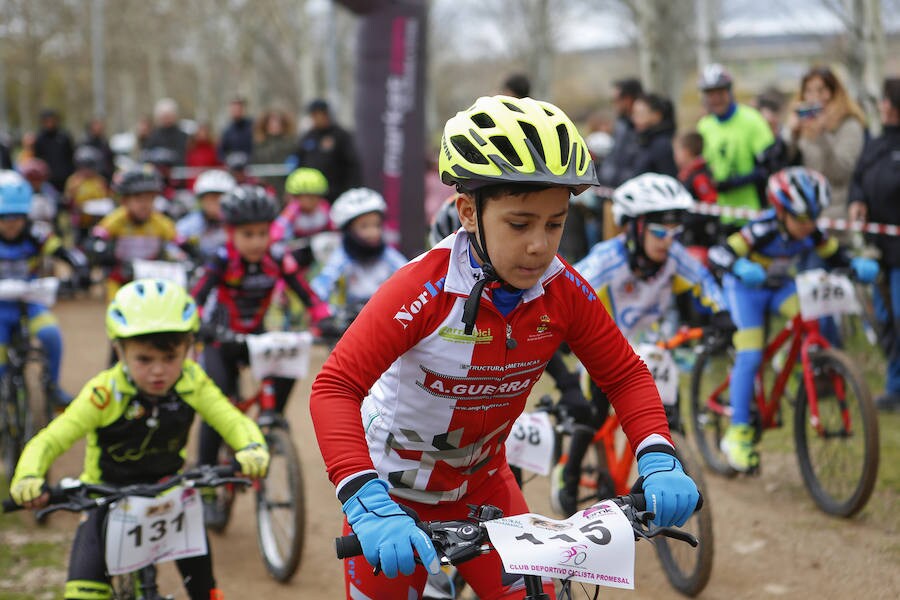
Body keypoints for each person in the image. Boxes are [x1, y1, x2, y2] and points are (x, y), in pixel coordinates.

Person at [310, 95, 700, 599]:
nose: (540, 245)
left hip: (484, 491)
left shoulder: (563, 289)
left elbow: (624, 374)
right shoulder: (420, 288)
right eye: (520, 224)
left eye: (555, 223)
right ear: (468, 211)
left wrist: (658, 454)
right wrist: (363, 495)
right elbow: (335, 386)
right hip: (393, 499)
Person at [8, 278, 269, 600]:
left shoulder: (193, 381)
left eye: (171, 358)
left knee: (205, 592)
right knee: (83, 593)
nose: (158, 371)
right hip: (106, 498)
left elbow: (233, 421)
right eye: (144, 360)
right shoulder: (104, 393)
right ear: (119, 350)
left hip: (172, 498)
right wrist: (29, 475)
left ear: (189, 349)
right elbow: (49, 440)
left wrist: (252, 448)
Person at [551, 173, 733, 516]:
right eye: (660, 231)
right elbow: (564, 290)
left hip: (650, 351)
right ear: (633, 227)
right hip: (604, 353)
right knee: (592, 413)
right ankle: (569, 473)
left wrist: (721, 314)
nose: (668, 241)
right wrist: (558, 332)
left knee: (666, 414)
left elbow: (704, 283)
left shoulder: (674, 258)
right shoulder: (608, 259)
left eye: (675, 232)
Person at [708, 166, 879, 471]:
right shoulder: (762, 228)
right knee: (750, 354)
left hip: (778, 287)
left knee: (811, 317)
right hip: (745, 290)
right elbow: (719, 254)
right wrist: (740, 268)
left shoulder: (811, 230)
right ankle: (738, 432)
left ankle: (793, 356)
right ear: (780, 211)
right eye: (801, 218)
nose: (808, 225)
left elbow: (835, 255)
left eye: (814, 217)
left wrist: (855, 265)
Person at [191, 185, 330, 527]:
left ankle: (271, 425)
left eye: (262, 233)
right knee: (217, 406)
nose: (256, 241)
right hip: (220, 340)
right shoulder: (221, 260)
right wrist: (198, 325)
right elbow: (195, 298)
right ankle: (209, 486)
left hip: (255, 338)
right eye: (247, 234)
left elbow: (310, 297)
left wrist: (325, 319)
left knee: (288, 362)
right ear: (230, 233)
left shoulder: (278, 259)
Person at [0, 171, 90, 406]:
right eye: (4, 218)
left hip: (29, 303)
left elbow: (68, 254)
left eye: (17, 218)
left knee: (51, 334)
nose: (11, 225)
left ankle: (52, 386)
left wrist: (80, 272)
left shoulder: (37, 233)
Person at [848, 77, 900, 412]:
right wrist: (857, 201)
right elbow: (858, 178)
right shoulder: (876, 143)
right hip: (877, 251)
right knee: (883, 320)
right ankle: (895, 385)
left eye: (885, 100)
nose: (881, 106)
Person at [785, 66, 867, 236]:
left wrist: (822, 137)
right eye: (808, 91)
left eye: (821, 90)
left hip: (834, 217)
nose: (815, 97)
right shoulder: (804, 127)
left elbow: (841, 171)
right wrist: (790, 134)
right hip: (803, 219)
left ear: (834, 92)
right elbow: (785, 166)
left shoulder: (849, 125)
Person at [696, 64, 774, 234]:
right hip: (719, 214)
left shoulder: (752, 120)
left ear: (730, 92)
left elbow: (769, 166)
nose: (716, 99)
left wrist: (735, 183)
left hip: (752, 212)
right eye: (710, 94)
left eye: (720, 93)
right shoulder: (704, 126)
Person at [87, 165, 182, 303]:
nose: (144, 205)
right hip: (121, 279)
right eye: (138, 199)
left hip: (152, 278)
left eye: (149, 199)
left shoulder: (160, 222)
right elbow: (97, 237)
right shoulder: (116, 219)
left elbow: (180, 241)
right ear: (124, 201)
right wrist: (100, 249)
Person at [310, 188, 407, 308]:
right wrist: (322, 310)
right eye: (364, 226)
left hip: (384, 313)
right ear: (348, 230)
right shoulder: (341, 257)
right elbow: (321, 286)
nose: (373, 232)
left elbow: (409, 276)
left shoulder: (388, 255)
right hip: (351, 320)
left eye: (377, 225)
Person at [294, 99, 362, 203]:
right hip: (313, 194)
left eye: (319, 114)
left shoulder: (340, 135)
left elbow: (352, 164)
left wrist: (350, 189)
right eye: (313, 115)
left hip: (337, 192)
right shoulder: (308, 136)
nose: (316, 118)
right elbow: (299, 160)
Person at [270, 167, 331, 263]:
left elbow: (334, 229)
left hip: (320, 253)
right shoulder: (292, 212)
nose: (313, 201)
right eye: (308, 196)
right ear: (296, 197)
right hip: (297, 254)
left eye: (316, 196)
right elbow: (277, 233)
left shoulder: (324, 208)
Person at [176, 169, 235, 263]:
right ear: (201, 200)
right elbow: (173, 243)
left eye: (222, 197)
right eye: (212, 198)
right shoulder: (189, 224)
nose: (217, 202)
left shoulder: (235, 224)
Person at [675, 131, 719, 250]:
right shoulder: (686, 174)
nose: (675, 155)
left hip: (701, 237)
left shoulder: (699, 176)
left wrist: (689, 218)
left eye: (677, 151)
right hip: (689, 233)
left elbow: (710, 204)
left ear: (686, 151)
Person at [598, 77, 643, 188]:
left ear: (628, 99)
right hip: (609, 190)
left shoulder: (642, 130)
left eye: (615, 100)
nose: (613, 104)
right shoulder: (621, 125)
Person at [63, 146, 111, 244]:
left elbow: (106, 198)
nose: (88, 171)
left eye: (90, 167)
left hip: (97, 220)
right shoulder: (74, 181)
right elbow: (68, 199)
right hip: (80, 221)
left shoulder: (99, 181)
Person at [630, 92, 678, 178]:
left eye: (639, 114)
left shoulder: (662, 144)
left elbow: (668, 180)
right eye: (633, 113)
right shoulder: (643, 140)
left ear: (656, 115)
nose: (634, 119)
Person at [251, 107, 296, 197]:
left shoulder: (290, 144)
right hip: (265, 186)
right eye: (271, 123)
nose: (275, 125)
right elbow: (255, 164)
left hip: (284, 187)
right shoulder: (260, 144)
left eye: (278, 123)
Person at [34, 109, 75, 193]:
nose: (50, 123)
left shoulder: (64, 137)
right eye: (47, 121)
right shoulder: (40, 138)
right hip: (48, 178)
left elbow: (70, 155)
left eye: (52, 120)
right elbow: (37, 159)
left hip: (64, 176)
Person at [144, 98, 188, 165]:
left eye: (168, 116)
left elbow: (183, 156)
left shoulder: (182, 136)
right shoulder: (153, 135)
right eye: (164, 116)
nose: (166, 119)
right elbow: (146, 155)